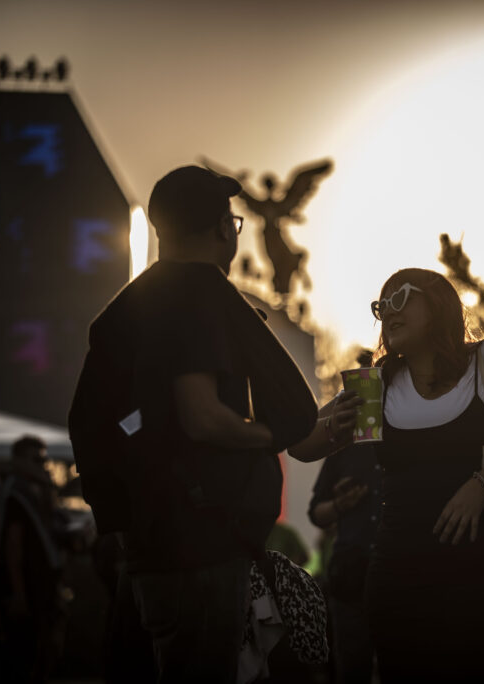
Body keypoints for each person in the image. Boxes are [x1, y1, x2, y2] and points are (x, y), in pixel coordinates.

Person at [69, 165, 318, 683]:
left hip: (148, 545)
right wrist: (267, 435)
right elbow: (200, 416)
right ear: (223, 230)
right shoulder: (198, 295)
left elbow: (118, 421)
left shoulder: (126, 309)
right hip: (200, 545)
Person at [346, 268, 484, 682]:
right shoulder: (375, 382)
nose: (388, 310)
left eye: (400, 297)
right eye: (381, 305)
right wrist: (333, 424)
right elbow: (304, 444)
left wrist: (481, 485)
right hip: (396, 580)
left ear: (439, 305)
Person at [305, 351, 384, 684]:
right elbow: (316, 513)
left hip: (400, 571)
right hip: (351, 574)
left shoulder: (413, 439)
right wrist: (339, 505)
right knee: (352, 668)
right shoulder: (343, 443)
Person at [0, 435, 66, 683]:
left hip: (31, 590)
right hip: (24, 592)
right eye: (37, 459)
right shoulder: (15, 495)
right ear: (19, 461)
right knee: (25, 657)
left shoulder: (20, 492)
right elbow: (13, 546)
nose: (43, 465)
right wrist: (19, 593)